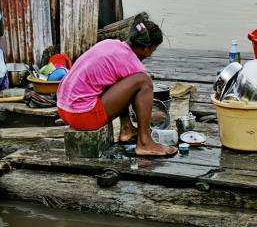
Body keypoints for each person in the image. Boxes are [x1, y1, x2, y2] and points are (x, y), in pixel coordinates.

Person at [56, 16, 177, 157]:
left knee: (120, 79)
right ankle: (145, 142)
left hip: (63, 108)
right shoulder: (132, 63)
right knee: (144, 81)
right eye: (152, 51)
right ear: (145, 48)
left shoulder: (109, 44)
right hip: (82, 115)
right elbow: (142, 91)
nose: (150, 55)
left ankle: (127, 128)